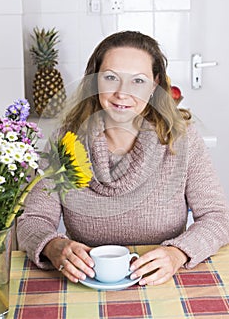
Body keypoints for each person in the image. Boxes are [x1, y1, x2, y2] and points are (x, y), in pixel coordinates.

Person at [17, 31, 229, 286]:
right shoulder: (66, 140)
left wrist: (177, 253)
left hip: (162, 280)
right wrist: (53, 245)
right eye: (110, 78)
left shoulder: (182, 140)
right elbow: (33, 220)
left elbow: (217, 218)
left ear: (154, 85)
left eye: (138, 81)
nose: (122, 93)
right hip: (84, 282)